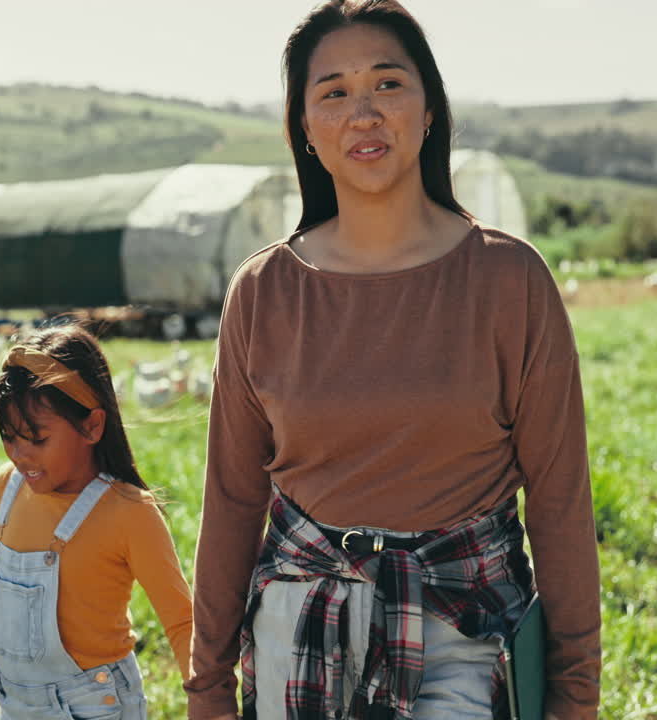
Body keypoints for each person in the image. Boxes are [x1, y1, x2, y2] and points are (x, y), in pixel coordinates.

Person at [185, 2, 601, 719]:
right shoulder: (263, 292)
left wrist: (575, 692)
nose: (364, 113)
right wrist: (208, 685)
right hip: (299, 632)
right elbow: (231, 498)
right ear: (305, 129)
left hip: (463, 632)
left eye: (387, 83)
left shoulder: (508, 281)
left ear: (430, 108)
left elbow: (560, 500)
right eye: (334, 93)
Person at [0, 323, 193, 718]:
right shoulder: (6, 491)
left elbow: (181, 621)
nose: (20, 454)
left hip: (95, 707)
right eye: (10, 437)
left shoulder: (130, 513)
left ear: (92, 426)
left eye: (37, 438)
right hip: (14, 705)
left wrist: (207, 699)